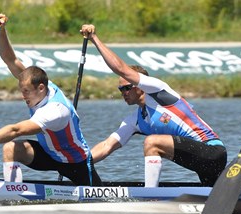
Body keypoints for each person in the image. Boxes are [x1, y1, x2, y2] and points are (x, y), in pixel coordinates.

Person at [79, 25, 226, 187]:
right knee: (214, 201)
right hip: (199, 164)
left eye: (127, 87)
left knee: (152, 142)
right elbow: (107, 146)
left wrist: (94, 39)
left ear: (140, 85)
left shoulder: (158, 91)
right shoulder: (135, 120)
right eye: (120, 89)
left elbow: (121, 69)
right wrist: (77, 163)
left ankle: (150, 196)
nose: (123, 92)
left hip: (213, 152)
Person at [0, 14, 101, 186]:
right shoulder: (40, 83)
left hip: (76, 162)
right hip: (48, 154)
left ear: (41, 88)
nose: (23, 96)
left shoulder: (56, 110)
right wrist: (1, 29)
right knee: (10, 148)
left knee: (97, 197)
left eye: (26, 92)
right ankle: (12, 194)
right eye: (21, 91)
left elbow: (17, 130)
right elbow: (10, 60)